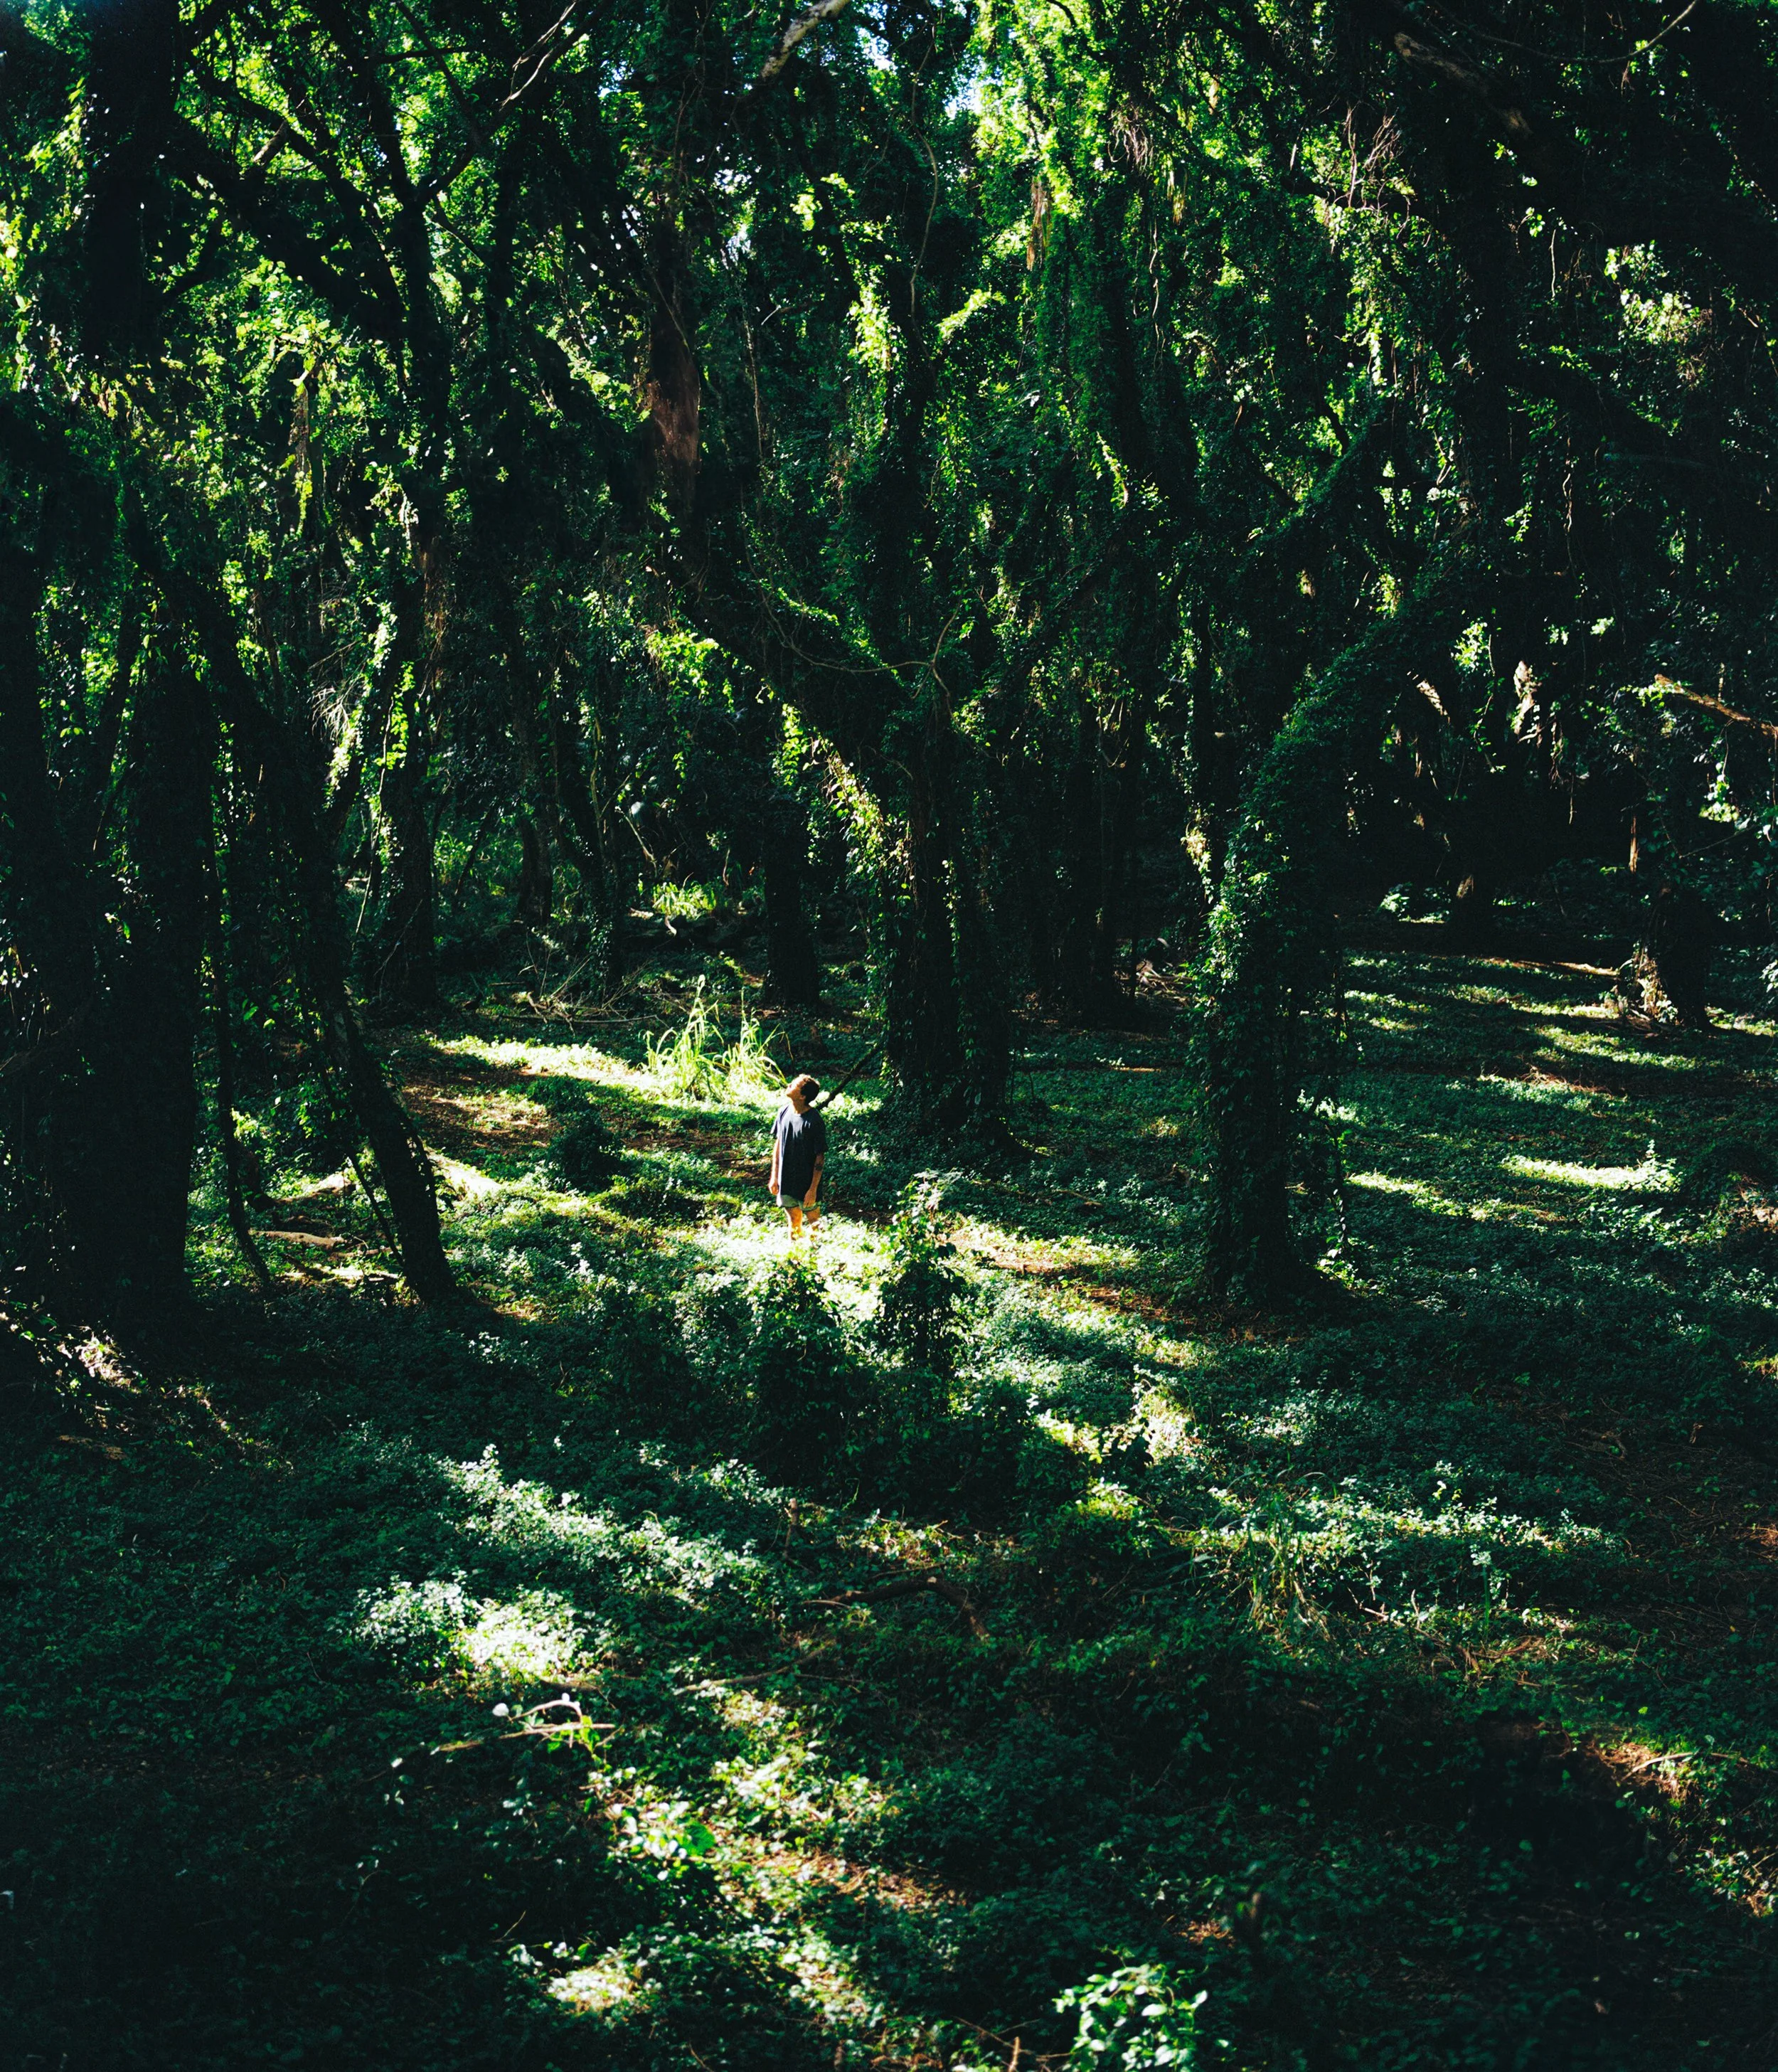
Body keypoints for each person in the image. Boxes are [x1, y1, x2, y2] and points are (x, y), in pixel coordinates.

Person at [768, 1073, 826, 1240]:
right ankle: (795, 1253)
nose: (789, 1085)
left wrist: (812, 1190)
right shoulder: (783, 1112)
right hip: (786, 1180)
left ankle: (819, 1252)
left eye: (794, 1085)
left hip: (806, 1183)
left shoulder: (814, 1121)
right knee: (793, 1221)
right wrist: (774, 1177)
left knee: (814, 1223)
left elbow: (820, 1158)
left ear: (802, 1096)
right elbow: (778, 1145)